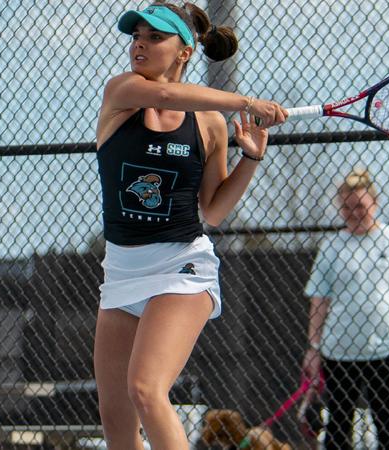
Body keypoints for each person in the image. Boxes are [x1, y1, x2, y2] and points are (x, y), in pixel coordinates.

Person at [94, 2, 288, 449]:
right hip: (122, 270)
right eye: (137, 34)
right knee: (116, 418)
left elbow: (214, 211)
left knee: (145, 388)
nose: (139, 43)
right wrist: (247, 101)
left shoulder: (210, 124)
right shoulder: (121, 93)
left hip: (182, 267)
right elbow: (164, 96)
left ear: (184, 52)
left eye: (155, 37)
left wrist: (252, 157)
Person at [301, 169, 389, 450]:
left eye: (360, 206)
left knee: (386, 426)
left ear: (375, 203)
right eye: (346, 207)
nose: (353, 212)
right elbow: (319, 300)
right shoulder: (332, 245)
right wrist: (314, 347)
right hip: (338, 351)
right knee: (338, 428)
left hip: (386, 349)